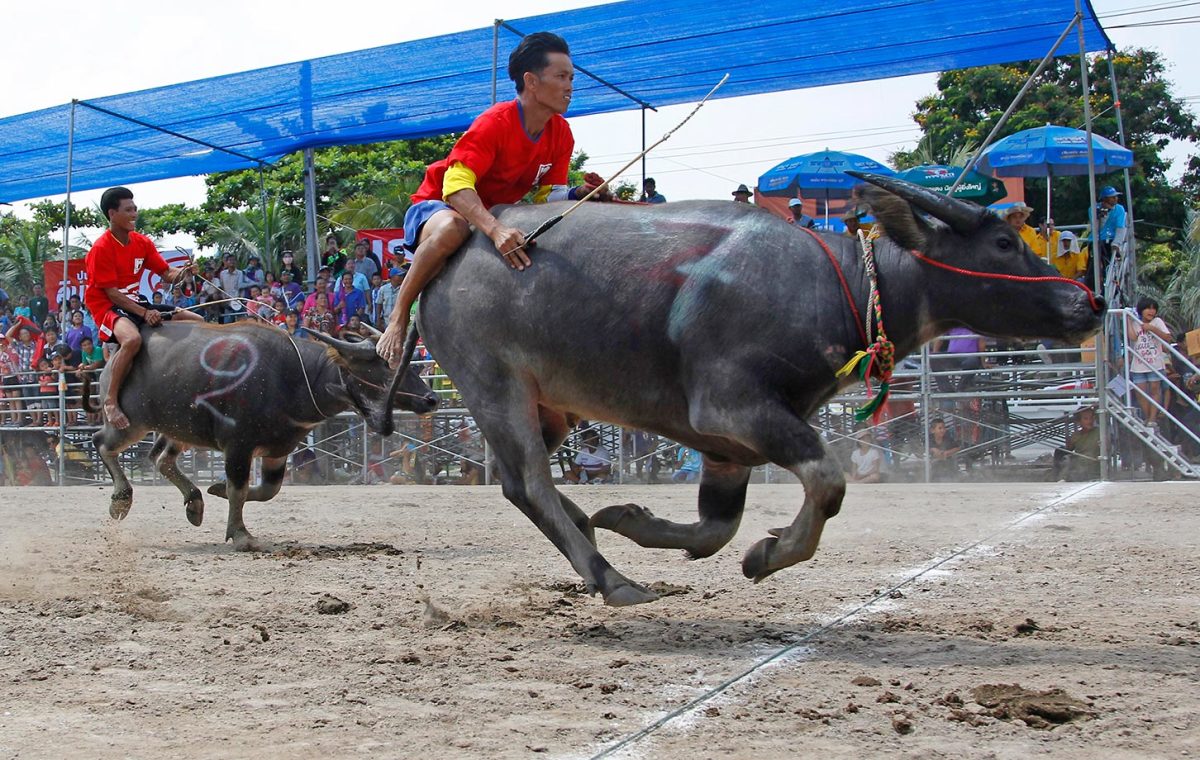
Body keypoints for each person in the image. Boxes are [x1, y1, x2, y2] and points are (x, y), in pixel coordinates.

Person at [375, 32, 608, 364]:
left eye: (571, 77)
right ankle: (398, 316)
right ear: (531, 81)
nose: (570, 85)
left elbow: (549, 196)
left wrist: (581, 194)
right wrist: (495, 230)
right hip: (437, 205)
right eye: (561, 77)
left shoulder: (561, 133)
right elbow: (454, 187)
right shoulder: (495, 123)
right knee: (453, 228)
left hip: (494, 213)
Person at [83, 186, 203, 428]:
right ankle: (110, 401)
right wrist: (145, 313)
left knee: (197, 321)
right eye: (128, 210)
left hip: (135, 300)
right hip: (107, 305)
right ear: (112, 213)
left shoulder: (142, 242)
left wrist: (185, 273)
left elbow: (167, 273)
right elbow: (112, 293)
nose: (134, 214)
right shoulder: (101, 248)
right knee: (131, 340)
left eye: (135, 208)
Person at [1125, 296, 1172, 428]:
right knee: (1140, 393)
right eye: (1147, 308)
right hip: (1138, 364)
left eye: (1153, 308)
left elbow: (1167, 337)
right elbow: (1132, 337)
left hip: (1155, 363)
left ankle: (1152, 419)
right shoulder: (1135, 322)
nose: (1151, 311)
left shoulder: (1157, 321)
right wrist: (1128, 319)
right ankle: (1148, 416)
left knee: (1155, 390)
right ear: (1141, 310)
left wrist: (1151, 328)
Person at [1052, 407, 1101, 481]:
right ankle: (1058, 477)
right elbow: (1069, 449)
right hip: (1079, 463)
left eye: (1091, 418)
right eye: (1086, 419)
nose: (1090, 421)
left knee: (1071, 462)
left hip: (1091, 463)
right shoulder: (1076, 435)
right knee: (1060, 451)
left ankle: (1063, 478)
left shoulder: (1099, 432)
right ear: (1079, 422)